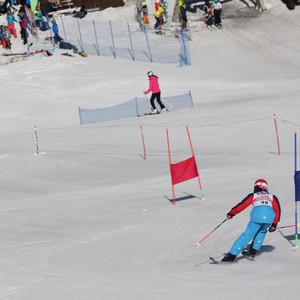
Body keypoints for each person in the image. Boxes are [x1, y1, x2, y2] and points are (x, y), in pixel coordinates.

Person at [221, 179, 281, 262]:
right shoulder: (272, 197)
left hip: (257, 217)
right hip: (269, 218)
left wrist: (232, 213)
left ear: (256, 187)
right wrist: (274, 224)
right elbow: (277, 210)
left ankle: (231, 256)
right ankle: (252, 252)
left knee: (246, 236)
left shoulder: (254, 195)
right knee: (261, 232)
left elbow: (242, 205)